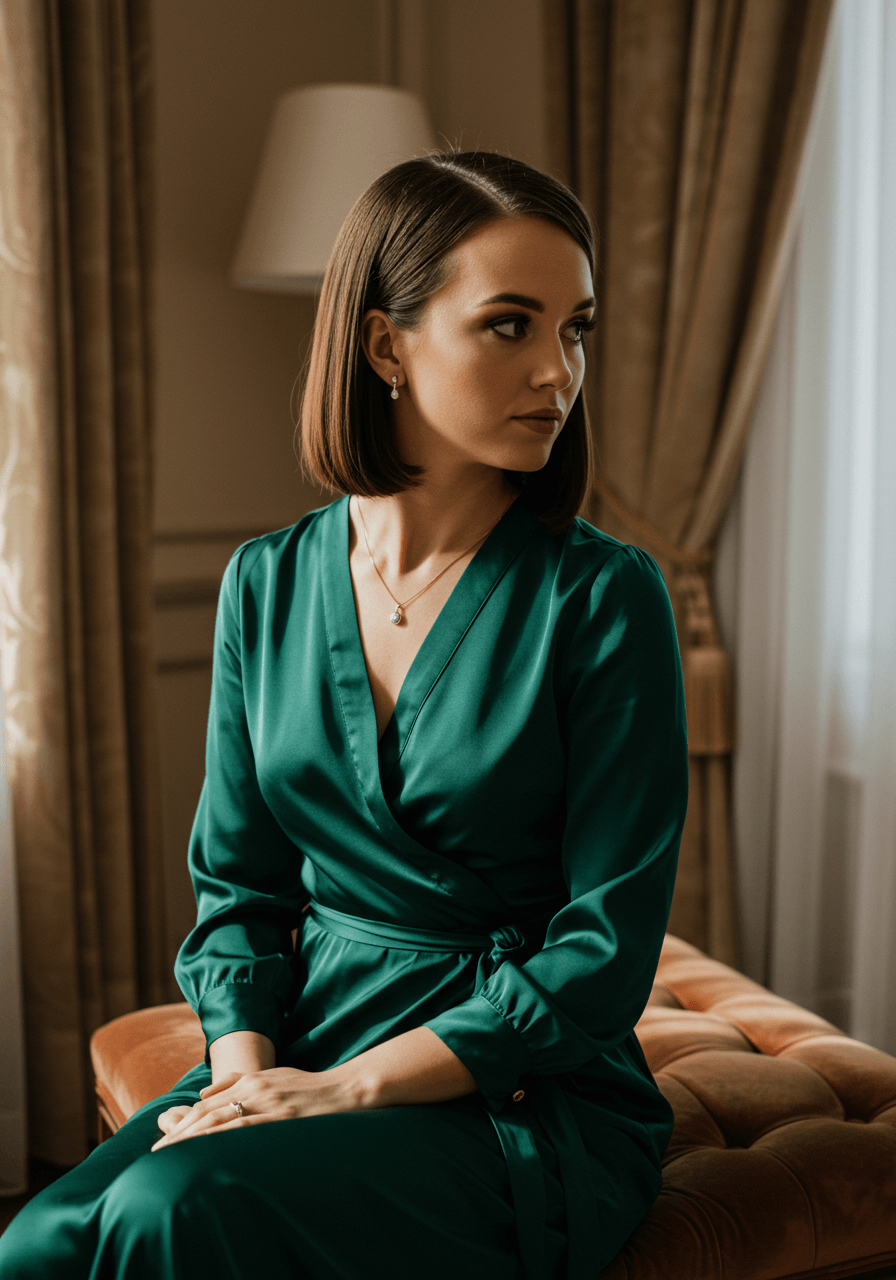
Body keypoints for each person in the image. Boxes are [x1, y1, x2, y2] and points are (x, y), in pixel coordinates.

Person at [0, 150, 688, 1280]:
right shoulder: (264, 584)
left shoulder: (604, 597)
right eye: (509, 325)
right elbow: (239, 888)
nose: (557, 371)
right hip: (310, 1032)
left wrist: (346, 1085)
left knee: (174, 1212)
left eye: (576, 329)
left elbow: (603, 952)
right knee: (36, 1243)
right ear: (383, 345)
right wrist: (242, 1067)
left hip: (514, 1084)